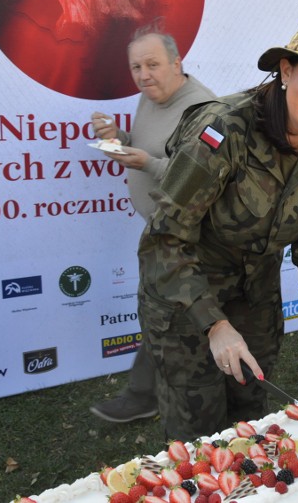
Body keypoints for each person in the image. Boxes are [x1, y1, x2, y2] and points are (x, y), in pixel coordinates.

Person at [136, 21, 298, 439]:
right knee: (201, 434)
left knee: (251, 421)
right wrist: (213, 324)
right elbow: (164, 238)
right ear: (286, 72)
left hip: (256, 300)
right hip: (185, 299)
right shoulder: (223, 128)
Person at [89, 27, 215, 423]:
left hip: (192, 234)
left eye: (153, 65)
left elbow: (205, 176)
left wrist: (145, 162)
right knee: (162, 314)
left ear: (177, 64)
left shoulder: (204, 109)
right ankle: (150, 393)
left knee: (167, 314)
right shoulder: (151, 97)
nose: (144, 75)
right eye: (136, 67)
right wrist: (117, 138)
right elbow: (156, 149)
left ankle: (146, 396)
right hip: (162, 228)